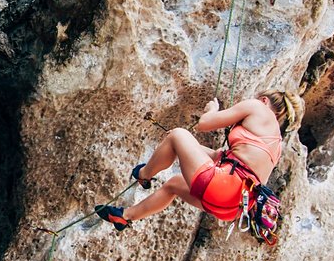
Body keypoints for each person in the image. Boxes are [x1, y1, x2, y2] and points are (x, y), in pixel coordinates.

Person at [96, 90, 305, 230]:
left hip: (222, 186)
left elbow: (204, 124)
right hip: (232, 207)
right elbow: (219, 158)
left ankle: (144, 175)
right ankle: (125, 216)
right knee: (173, 185)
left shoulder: (258, 107)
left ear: (264, 100)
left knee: (178, 134)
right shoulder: (275, 143)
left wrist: (212, 110)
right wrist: (181, 147)